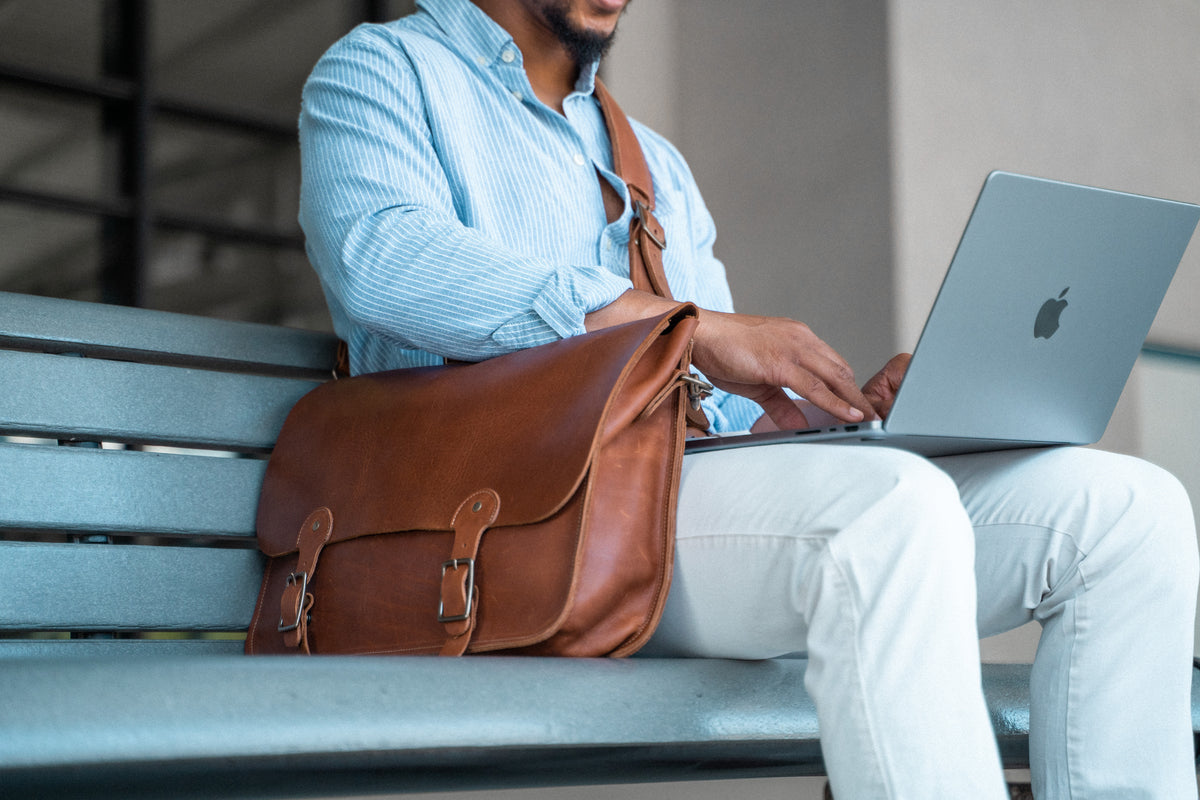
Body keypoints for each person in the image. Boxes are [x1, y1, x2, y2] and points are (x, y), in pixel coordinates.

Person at [297, 0, 1200, 796]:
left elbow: (717, 408)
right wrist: (680, 327)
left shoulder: (651, 161)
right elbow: (383, 258)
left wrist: (830, 423)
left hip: (671, 505)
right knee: (889, 512)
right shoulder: (382, 71)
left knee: (1130, 510)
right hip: (518, 524)